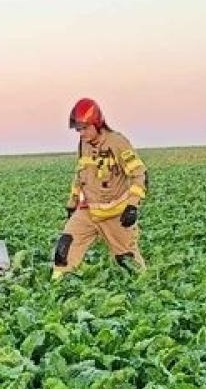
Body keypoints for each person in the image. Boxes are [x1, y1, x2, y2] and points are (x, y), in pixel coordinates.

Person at [54, 97, 149, 279]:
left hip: (116, 214)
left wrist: (132, 206)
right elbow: (80, 174)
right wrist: (72, 203)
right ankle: (55, 291)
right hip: (89, 211)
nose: (81, 133)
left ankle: (143, 289)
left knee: (127, 261)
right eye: (78, 129)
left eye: (84, 128)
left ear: (97, 123)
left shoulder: (117, 142)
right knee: (64, 249)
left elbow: (139, 174)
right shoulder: (84, 145)